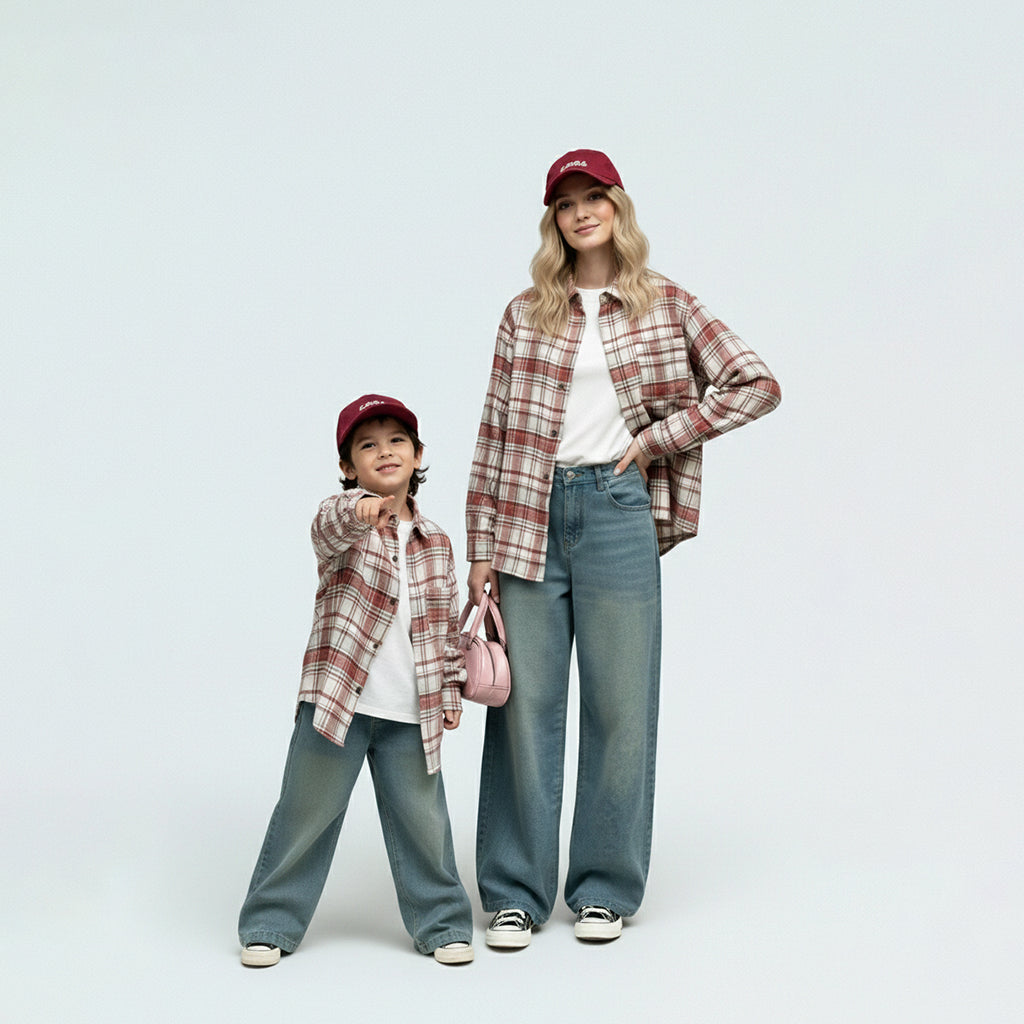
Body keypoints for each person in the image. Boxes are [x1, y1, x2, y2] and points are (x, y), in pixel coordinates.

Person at [466, 149, 781, 948]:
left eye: (593, 197)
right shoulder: (524, 312)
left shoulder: (666, 304)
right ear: (554, 221)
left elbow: (755, 382)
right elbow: (495, 433)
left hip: (615, 510)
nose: (580, 212)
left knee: (620, 708)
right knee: (525, 710)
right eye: (565, 202)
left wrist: (654, 443)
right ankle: (514, 894)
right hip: (528, 514)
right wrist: (480, 547)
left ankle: (604, 887)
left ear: (617, 206)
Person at [238, 394, 474, 966]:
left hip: (409, 713)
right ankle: (270, 923)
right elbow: (325, 526)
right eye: (367, 445)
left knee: (425, 822)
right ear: (349, 468)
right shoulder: (343, 524)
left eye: (396, 441)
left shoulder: (437, 542)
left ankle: (442, 924)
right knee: (304, 813)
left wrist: (447, 693)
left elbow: (443, 625)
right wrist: (359, 510)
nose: (384, 451)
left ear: (419, 456)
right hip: (337, 704)